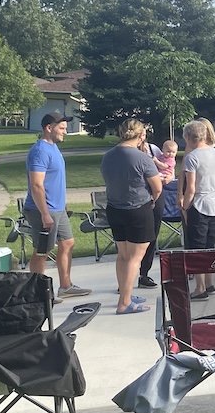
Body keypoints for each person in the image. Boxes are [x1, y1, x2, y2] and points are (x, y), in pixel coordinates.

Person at [24, 111, 91, 301]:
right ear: (48, 128)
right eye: (61, 128)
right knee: (42, 251)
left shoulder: (53, 148)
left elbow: (55, 180)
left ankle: (66, 286)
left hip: (58, 209)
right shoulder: (40, 151)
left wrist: (63, 203)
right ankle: (38, 293)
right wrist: (45, 213)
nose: (65, 131)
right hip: (42, 210)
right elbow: (36, 185)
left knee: (68, 243)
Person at [100, 119, 163, 314]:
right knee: (135, 258)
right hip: (137, 210)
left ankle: (124, 295)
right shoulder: (142, 158)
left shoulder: (108, 156)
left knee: (123, 255)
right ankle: (124, 303)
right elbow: (157, 187)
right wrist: (152, 200)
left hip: (114, 209)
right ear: (141, 135)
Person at [178, 118, 215, 300]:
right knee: (210, 245)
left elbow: (191, 188)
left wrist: (185, 205)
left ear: (189, 137)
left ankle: (200, 288)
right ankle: (210, 283)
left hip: (200, 205)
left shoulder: (192, 157)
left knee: (196, 248)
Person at [137, 138, 176, 289]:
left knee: (151, 235)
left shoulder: (153, 149)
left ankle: (144, 273)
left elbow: (169, 166)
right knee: (132, 240)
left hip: (157, 196)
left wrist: (170, 177)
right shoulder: (127, 152)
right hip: (137, 197)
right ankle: (127, 277)